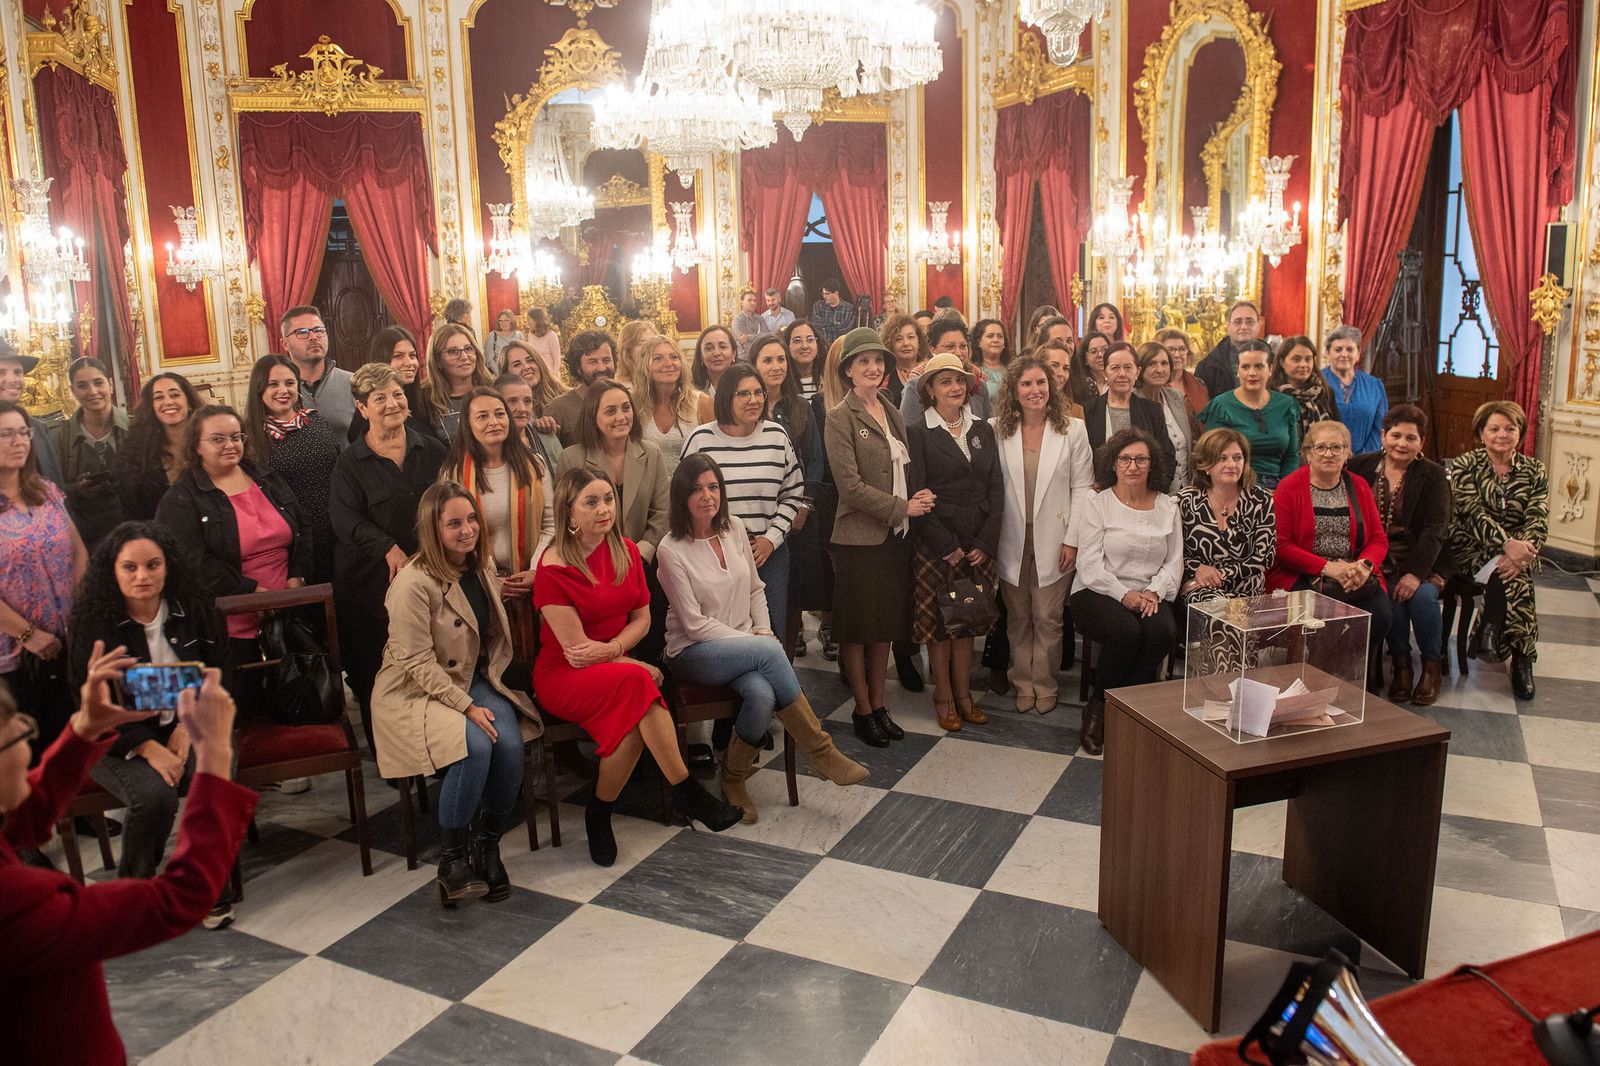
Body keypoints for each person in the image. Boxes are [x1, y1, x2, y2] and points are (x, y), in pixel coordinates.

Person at [0, 645, 254, 1064]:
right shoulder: (18, 903)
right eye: (16, 732)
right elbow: (181, 896)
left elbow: (23, 817)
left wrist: (85, 728)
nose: (28, 742)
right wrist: (215, 755)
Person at [534, 466, 743, 866]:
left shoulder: (626, 550)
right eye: (591, 502)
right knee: (639, 681)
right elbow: (577, 651)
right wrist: (630, 662)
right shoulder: (554, 565)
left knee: (633, 723)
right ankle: (687, 792)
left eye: (608, 499)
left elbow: (643, 620)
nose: (604, 509)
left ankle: (599, 813)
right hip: (564, 674)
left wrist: (618, 652)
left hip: (616, 666)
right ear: (569, 511)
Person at [657, 455, 866, 822]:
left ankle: (732, 778)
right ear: (681, 496)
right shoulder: (670, 549)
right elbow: (693, 624)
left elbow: (756, 588)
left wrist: (763, 632)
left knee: (762, 694)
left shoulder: (735, 528)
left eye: (713, 487)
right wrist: (754, 643)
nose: (707, 496)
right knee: (767, 652)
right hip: (692, 651)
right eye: (697, 489)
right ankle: (821, 752)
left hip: (745, 644)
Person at [372, 482, 539, 905]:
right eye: (453, 524)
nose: (467, 530)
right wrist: (467, 707)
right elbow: (415, 662)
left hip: (470, 677)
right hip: (414, 689)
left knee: (510, 744)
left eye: (471, 519)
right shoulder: (412, 583)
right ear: (433, 528)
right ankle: (452, 861)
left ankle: (488, 846)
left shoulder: (479, 566)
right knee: (475, 747)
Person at [65, 524, 223, 888]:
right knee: (154, 795)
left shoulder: (195, 608)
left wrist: (187, 727)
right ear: (112, 570)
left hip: (193, 722)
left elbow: (221, 673)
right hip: (116, 737)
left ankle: (212, 890)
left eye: (153, 565)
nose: (142, 576)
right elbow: (91, 704)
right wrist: (149, 748)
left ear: (168, 566)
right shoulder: (93, 624)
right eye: (130, 567)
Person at [824, 327, 935, 747]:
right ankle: (862, 708)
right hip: (859, 539)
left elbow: (901, 470)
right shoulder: (840, 417)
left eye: (878, 361)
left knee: (884, 626)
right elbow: (850, 488)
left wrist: (914, 498)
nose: (872, 368)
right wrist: (901, 508)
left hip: (894, 539)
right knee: (858, 630)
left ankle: (879, 703)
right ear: (848, 370)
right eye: (863, 362)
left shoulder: (890, 408)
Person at [328, 365, 449, 743]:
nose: (392, 403)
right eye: (379, 398)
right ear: (362, 408)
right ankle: (388, 755)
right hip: (369, 585)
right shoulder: (350, 462)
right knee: (375, 674)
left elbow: (448, 504)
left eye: (397, 394)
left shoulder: (432, 450)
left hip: (428, 579)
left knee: (430, 666)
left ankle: (433, 749)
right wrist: (388, 549)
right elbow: (344, 519)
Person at [153, 405, 309, 652]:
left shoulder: (265, 477)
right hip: (228, 622)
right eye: (217, 439)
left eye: (236, 437)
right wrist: (251, 592)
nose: (230, 445)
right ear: (196, 446)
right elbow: (192, 561)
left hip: (290, 611)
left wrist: (297, 577)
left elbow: (302, 526)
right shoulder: (180, 499)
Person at [906, 353, 1004, 731]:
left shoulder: (983, 429)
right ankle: (944, 696)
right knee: (939, 626)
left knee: (967, 621)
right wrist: (946, 544)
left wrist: (985, 542)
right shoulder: (918, 431)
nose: (955, 387)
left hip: (977, 544)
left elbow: (995, 487)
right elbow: (917, 492)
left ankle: (964, 695)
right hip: (938, 546)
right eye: (945, 381)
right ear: (930, 389)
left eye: (960, 380)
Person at [1070, 428, 1181, 755]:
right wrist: (1123, 594)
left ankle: (1127, 710)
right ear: (1113, 463)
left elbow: (1174, 561)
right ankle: (1098, 710)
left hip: (1149, 592)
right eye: (1125, 459)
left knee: (1162, 633)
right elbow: (1088, 564)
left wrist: (1155, 592)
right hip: (1098, 590)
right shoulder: (1098, 502)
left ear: (1152, 464)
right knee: (1127, 632)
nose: (1133, 466)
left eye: (1141, 459)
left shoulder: (1167, 506)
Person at [992, 356, 1093, 713]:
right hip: (1011, 538)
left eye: (1041, 382)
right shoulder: (996, 430)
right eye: (1026, 384)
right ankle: (1023, 681)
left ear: (1051, 386)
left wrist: (1073, 539)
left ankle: (1046, 684)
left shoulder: (1073, 430)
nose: (1035, 390)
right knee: (1018, 616)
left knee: (1049, 617)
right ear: (1013, 390)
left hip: (1056, 538)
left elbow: (1083, 488)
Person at [683, 362, 805, 650]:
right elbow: (684, 497)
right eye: (744, 394)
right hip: (714, 555)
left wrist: (771, 540)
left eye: (759, 392)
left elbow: (792, 493)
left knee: (772, 632)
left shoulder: (776, 436)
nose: (754, 400)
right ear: (726, 397)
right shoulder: (701, 439)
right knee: (724, 634)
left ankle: (778, 680)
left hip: (767, 554)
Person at [1266, 420, 1392, 686]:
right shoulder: (1290, 487)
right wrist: (1328, 567)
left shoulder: (1358, 485)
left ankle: (1337, 670)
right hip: (1302, 573)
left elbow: (1378, 539)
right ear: (1308, 453)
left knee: (1381, 616)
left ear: (1347, 453)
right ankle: (1321, 679)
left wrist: (1364, 566)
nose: (1329, 454)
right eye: (1321, 447)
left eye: (1337, 447)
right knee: (1322, 619)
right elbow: (1281, 545)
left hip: (1352, 573)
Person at [1349, 405, 1452, 705]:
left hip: (1423, 558)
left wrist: (1415, 573)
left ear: (1422, 442)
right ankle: (1402, 665)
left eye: (1411, 438)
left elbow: (1435, 530)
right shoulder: (1359, 466)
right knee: (1389, 595)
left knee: (1421, 598)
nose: (1402, 444)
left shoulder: (1433, 475)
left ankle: (1431, 667)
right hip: (1375, 558)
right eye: (1395, 435)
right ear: (1383, 435)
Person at [0, 400, 87, 750]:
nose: (19, 441)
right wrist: (29, 635)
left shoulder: (46, 491)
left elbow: (78, 552)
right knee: (29, 753)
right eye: (6, 434)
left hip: (67, 641)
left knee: (72, 745)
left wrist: (80, 615)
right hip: (14, 654)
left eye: (24, 433)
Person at [1448, 400, 1548, 701]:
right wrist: (1507, 546)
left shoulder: (1534, 469)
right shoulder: (1465, 464)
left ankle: (1492, 632)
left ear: (1520, 433)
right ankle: (1522, 660)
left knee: (1515, 576)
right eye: (1494, 429)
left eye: (1509, 428)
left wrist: (1521, 551)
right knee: (1516, 577)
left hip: (1520, 551)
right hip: (1472, 545)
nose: (1502, 434)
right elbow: (1471, 514)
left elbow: (1538, 517)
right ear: (1481, 433)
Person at [440, 387, 554, 604]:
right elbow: (449, 533)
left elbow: (551, 524)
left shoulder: (535, 465)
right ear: (468, 425)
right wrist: (490, 579)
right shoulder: (453, 473)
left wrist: (535, 570)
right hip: (477, 581)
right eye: (482, 416)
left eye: (500, 414)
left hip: (533, 578)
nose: (494, 422)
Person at [243, 354, 340, 585]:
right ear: (259, 389)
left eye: (289, 383)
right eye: (273, 384)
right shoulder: (251, 438)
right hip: (294, 542)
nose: (283, 390)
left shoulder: (316, 421)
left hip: (336, 529)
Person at [556, 380, 671, 565]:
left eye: (626, 408)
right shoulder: (570, 458)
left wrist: (639, 553)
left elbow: (662, 512)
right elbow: (564, 517)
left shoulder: (652, 453)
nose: (621, 417)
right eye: (610, 411)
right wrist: (590, 553)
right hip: (589, 561)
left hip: (643, 561)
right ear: (592, 416)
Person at [1177, 428, 1276, 606]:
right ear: (1204, 464)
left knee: (1234, 610)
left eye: (1237, 458)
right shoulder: (1185, 500)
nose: (1232, 464)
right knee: (1216, 606)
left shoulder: (1261, 499)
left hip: (1247, 588)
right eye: (1222, 458)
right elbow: (1173, 553)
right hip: (1201, 588)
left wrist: (1220, 575)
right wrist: (1197, 568)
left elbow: (1265, 557)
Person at [1198, 340, 1300, 488]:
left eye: (1259, 366)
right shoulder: (1221, 406)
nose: (1252, 373)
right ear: (1237, 370)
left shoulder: (1286, 405)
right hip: (1236, 485)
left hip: (1278, 485)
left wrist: (1285, 490)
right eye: (1245, 367)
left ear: (1270, 369)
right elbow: (1212, 456)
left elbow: (1292, 456)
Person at [49, 357, 127, 549]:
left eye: (98, 382)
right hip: (82, 538)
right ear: (73, 390)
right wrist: (75, 490)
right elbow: (47, 490)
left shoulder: (136, 429)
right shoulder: (57, 438)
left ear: (110, 385)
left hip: (131, 531)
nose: (92, 392)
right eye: (82, 386)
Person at [114, 372, 203, 522]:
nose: (168, 402)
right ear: (152, 408)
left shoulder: (210, 444)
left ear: (189, 403)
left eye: (174, 395)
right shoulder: (137, 453)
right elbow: (131, 510)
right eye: (159, 397)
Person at [1085, 342, 1178, 481]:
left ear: (1137, 372)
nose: (1122, 374)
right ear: (1104, 372)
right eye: (1115, 368)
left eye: (1128, 367)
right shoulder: (1089, 411)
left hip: (1145, 490)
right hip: (1101, 490)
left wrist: (1154, 489)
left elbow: (1167, 457)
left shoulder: (1152, 411)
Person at [346, 325, 446, 445]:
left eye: (412, 355)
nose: (409, 363)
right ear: (382, 359)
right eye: (398, 356)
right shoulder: (369, 409)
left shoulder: (424, 398)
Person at [634, 334, 713, 475]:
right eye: (658, 358)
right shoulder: (635, 405)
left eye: (674, 357)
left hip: (691, 485)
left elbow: (715, 454)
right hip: (650, 487)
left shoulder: (702, 403)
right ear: (645, 365)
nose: (668, 363)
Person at [279, 305, 355, 441]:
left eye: (318, 330)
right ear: (285, 343)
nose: (313, 337)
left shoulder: (353, 383)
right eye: (302, 332)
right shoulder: (277, 391)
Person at [900, 316, 992, 423]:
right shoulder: (916, 387)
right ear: (932, 349)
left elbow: (988, 427)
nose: (959, 353)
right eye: (950, 347)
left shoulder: (979, 385)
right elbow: (909, 429)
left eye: (963, 346)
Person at [0, 340, 64, 485]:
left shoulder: (37, 427)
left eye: (17, 372)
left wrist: (75, 490)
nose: (13, 380)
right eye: (1, 373)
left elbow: (53, 483)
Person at [1134, 341, 1195, 490]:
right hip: (1150, 489)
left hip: (1185, 489)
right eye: (1152, 364)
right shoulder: (1132, 401)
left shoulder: (1175, 397)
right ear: (1140, 368)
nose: (1160, 369)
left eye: (1164, 363)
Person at [420, 322, 494, 442]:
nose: (464, 357)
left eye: (468, 349)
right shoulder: (424, 399)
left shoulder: (493, 388)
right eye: (453, 352)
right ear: (437, 360)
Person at [1322, 325, 1388, 454]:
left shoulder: (1375, 386)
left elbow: (1380, 428)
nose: (1344, 354)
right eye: (1338, 350)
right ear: (1327, 353)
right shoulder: (1316, 383)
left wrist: (1363, 458)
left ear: (1358, 354)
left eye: (1350, 349)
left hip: (1366, 459)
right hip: (1325, 456)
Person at [547, 330, 617, 446]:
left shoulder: (626, 402)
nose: (601, 368)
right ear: (578, 367)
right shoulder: (558, 409)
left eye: (606, 360)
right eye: (593, 362)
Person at [1270, 335, 1341, 444]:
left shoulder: (1325, 393)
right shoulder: (1270, 395)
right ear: (1282, 362)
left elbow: (1338, 432)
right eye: (1296, 359)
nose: (1303, 365)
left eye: (1308, 359)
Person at [1193, 300, 1263, 398]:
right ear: (1228, 326)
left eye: (1250, 322)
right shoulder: (1207, 367)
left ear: (1259, 326)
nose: (1244, 327)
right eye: (1238, 322)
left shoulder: (1272, 361)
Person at [496, 370, 562, 469]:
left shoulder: (548, 439)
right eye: (512, 401)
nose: (522, 409)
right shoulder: (491, 446)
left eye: (527, 401)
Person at [1156, 327, 1210, 416]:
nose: (1177, 355)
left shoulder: (1199, 384)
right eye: (1170, 350)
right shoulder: (1154, 386)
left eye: (1182, 349)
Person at [879, 313, 928, 407]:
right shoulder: (884, 373)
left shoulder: (928, 369)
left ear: (919, 342)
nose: (906, 343)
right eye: (898, 339)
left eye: (911, 337)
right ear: (890, 344)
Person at [1038, 338, 1086, 420]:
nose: (1061, 374)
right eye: (1054, 365)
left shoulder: (1076, 412)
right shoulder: (1026, 407)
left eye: (1066, 368)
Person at [689, 324, 737, 401]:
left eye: (723, 347)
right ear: (700, 355)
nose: (716, 353)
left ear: (733, 353)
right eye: (709, 348)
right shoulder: (689, 391)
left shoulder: (745, 386)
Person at [970, 318, 1010, 406]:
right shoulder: (973, 371)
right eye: (990, 336)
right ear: (979, 341)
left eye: (1000, 336)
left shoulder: (1013, 369)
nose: (996, 340)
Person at [1067, 331, 1111, 410]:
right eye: (1094, 352)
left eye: (1105, 350)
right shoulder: (1081, 386)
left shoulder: (1117, 381)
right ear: (1085, 359)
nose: (1100, 355)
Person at [809, 278, 856, 351]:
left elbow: (845, 329)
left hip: (840, 348)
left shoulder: (848, 308)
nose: (824, 296)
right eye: (823, 293)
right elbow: (815, 323)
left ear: (836, 293)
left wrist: (823, 327)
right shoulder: (818, 305)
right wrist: (834, 323)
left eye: (827, 294)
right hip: (820, 348)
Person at [784, 319, 824, 401]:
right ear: (787, 346)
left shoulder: (828, 380)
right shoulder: (781, 382)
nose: (805, 346)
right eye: (797, 341)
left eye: (810, 340)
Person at [524, 306, 562, 380]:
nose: (527, 322)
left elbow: (557, 359)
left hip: (550, 375)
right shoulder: (530, 335)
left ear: (536, 320)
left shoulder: (551, 336)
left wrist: (553, 376)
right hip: (536, 375)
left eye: (529, 319)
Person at [484, 308, 524, 376]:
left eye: (506, 320)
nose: (503, 323)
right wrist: (500, 373)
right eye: (500, 321)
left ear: (511, 321)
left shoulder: (519, 335)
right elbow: (489, 360)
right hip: (499, 373)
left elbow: (523, 356)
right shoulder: (492, 336)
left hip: (518, 374)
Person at [731, 288, 765, 359]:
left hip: (759, 357)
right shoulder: (737, 321)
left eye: (754, 300)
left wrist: (748, 337)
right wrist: (759, 337)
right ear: (742, 303)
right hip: (744, 359)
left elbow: (766, 336)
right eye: (749, 300)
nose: (752, 303)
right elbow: (744, 343)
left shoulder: (760, 319)